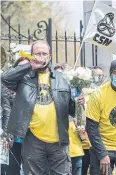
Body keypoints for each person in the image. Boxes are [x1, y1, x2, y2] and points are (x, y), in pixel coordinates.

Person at [1, 40, 84, 175]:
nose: (41, 57)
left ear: (49, 56)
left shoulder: (62, 78)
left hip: (59, 140)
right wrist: (29, 66)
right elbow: (5, 78)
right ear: (31, 56)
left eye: (44, 54)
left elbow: (71, 110)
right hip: (33, 140)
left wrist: (78, 103)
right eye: (37, 54)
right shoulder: (25, 78)